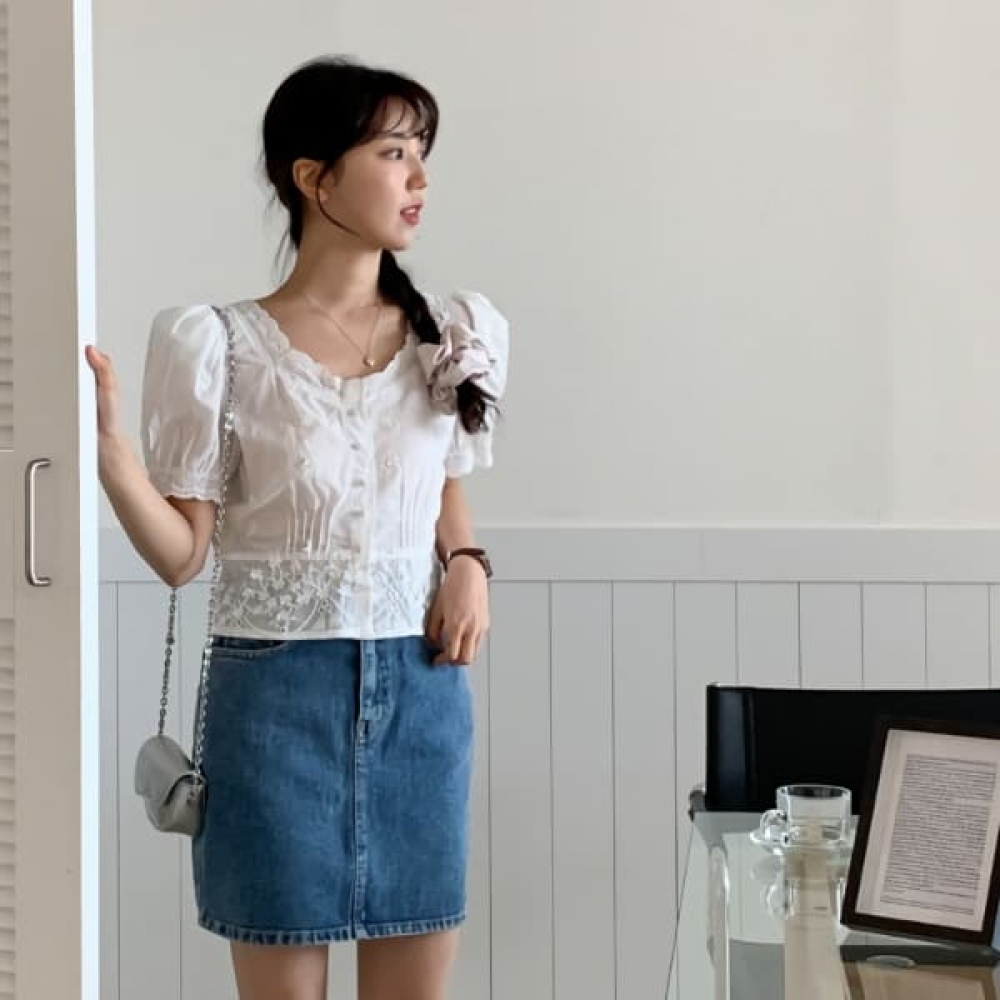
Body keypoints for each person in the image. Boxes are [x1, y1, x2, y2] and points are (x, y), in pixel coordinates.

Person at [85, 55, 509, 1000]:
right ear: (314, 178)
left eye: (423, 152)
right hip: (273, 702)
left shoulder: (450, 333)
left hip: (421, 692)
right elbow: (183, 557)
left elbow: (441, 483)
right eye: (394, 153)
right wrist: (114, 463)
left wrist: (468, 562)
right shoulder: (220, 343)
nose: (419, 177)